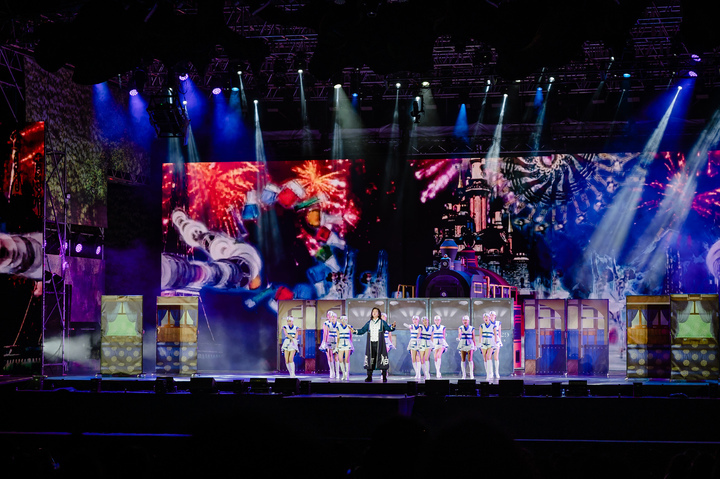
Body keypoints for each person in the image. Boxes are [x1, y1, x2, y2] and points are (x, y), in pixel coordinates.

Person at [352, 307, 396, 382]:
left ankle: (384, 376)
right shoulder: (369, 323)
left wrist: (393, 326)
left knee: (382, 359)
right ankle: (369, 376)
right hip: (371, 344)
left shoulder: (382, 322)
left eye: (376, 311)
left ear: (378, 314)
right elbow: (362, 330)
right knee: (370, 360)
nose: (374, 313)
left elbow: (389, 329)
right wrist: (354, 331)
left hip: (380, 344)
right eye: (373, 311)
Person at [320, 311, 339, 379]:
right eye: (329, 316)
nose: (331, 317)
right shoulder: (326, 323)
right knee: (330, 356)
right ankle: (332, 371)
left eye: (332, 316)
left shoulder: (338, 324)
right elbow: (325, 333)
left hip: (336, 340)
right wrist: (324, 342)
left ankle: (337, 373)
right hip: (329, 340)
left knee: (336, 357)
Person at [479, 312, 498, 380]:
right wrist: (480, 343)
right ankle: (488, 372)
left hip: (491, 342)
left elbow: (495, 335)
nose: (486, 318)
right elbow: (480, 335)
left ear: (489, 318)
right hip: (484, 342)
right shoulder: (481, 326)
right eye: (484, 317)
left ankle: (489, 375)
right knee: (484, 357)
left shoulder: (493, 326)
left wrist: (495, 344)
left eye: (487, 317)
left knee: (488, 356)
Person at [457, 315, 477, 379]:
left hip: (470, 343)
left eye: (466, 320)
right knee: (463, 359)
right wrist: (459, 337)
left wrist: (475, 345)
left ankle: (471, 374)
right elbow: (459, 333)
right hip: (463, 343)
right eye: (463, 320)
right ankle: (464, 374)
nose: (465, 321)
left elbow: (473, 337)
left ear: (468, 321)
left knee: (470, 359)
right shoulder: (460, 327)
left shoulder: (472, 328)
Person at [403, 315, 422, 380]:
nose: (415, 321)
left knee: (418, 358)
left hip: (418, 342)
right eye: (414, 319)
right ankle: (417, 372)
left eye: (416, 319)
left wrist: (417, 340)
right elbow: (408, 326)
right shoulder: (411, 326)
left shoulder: (420, 326)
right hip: (412, 342)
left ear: (418, 320)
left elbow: (419, 333)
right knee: (413, 358)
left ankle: (418, 373)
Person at [336, 315, 353, 381]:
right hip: (341, 343)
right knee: (340, 359)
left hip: (347, 343)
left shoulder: (349, 326)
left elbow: (351, 337)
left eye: (344, 319)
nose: (343, 320)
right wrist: (337, 346)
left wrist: (351, 345)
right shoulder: (338, 327)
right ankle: (343, 374)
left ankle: (347, 374)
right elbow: (338, 337)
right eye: (342, 319)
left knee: (346, 359)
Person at [417, 316, 433, 380]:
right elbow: (419, 334)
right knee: (422, 359)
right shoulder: (421, 327)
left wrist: (432, 345)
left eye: (426, 320)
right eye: (423, 321)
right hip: (422, 342)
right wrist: (417, 341)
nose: (425, 322)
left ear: (428, 320)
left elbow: (432, 337)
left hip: (428, 342)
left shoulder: (431, 328)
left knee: (426, 358)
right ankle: (425, 374)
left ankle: (428, 374)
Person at [489, 310, 503, 379]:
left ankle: (497, 372)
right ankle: (491, 373)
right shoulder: (488, 323)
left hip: (496, 340)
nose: (491, 316)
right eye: (490, 315)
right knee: (490, 357)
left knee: (496, 357)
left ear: (495, 316)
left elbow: (499, 332)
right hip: (490, 340)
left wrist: (499, 340)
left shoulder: (498, 323)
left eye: (493, 315)